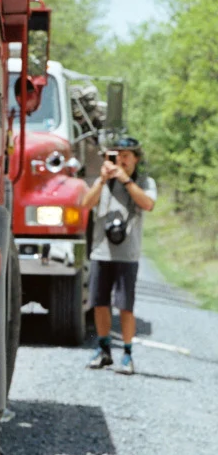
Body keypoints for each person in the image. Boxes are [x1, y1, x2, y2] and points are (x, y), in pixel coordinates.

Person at [80, 136, 155, 374]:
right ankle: (103, 351)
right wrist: (102, 180)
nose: (120, 162)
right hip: (101, 253)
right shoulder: (102, 182)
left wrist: (126, 181)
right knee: (100, 304)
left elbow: (148, 204)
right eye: (115, 157)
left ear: (136, 159)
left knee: (125, 306)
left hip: (127, 255)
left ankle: (128, 354)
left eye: (125, 157)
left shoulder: (144, 181)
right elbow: (85, 204)